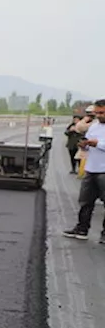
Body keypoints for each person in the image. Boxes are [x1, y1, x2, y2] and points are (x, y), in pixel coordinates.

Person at [63, 100, 105, 244]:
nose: (99, 116)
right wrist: (84, 145)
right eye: (97, 113)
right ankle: (82, 229)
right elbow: (87, 143)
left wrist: (97, 144)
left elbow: (98, 144)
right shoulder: (93, 127)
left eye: (102, 113)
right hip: (91, 169)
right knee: (86, 201)